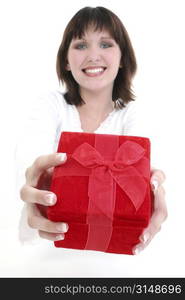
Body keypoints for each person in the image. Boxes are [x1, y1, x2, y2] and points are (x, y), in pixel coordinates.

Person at [17, 6, 167, 254]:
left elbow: (148, 173)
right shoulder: (50, 105)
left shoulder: (136, 114)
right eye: (81, 45)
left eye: (106, 44)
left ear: (122, 59)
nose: (93, 55)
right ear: (66, 60)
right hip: (40, 257)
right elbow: (29, 153)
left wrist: (154, 190)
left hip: (118, 268)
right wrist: (32, 175)